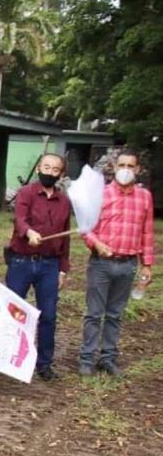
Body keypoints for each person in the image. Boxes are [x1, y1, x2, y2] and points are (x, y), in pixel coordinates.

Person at [79, 149, 154, 376]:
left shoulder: (144, 197)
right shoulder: (100, 194)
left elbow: (147, 232)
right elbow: (85, 228)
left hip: (128, 264)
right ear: (114, 168)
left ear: (138, 170)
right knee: (94, 313)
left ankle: (108, 358)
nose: (126, 170)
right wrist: (96, 244)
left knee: (115, 314)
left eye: (131, 166)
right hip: (101, 262)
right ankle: (86, 359)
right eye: (122, 165)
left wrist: (147, 264)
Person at [4, 153, 71, 381]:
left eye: (55, 169)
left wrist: (62, 268)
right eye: (46, 167)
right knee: (13, 312)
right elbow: (19, 219)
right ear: (39, 168)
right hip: (21, 262)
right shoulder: (26, 193)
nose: (49, 172)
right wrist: (29, 232)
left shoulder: (64, 202)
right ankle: (5, 357)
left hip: (49, 266)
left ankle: (44, 364)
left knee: (49, 315)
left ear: (61, 174)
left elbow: (66, 240)